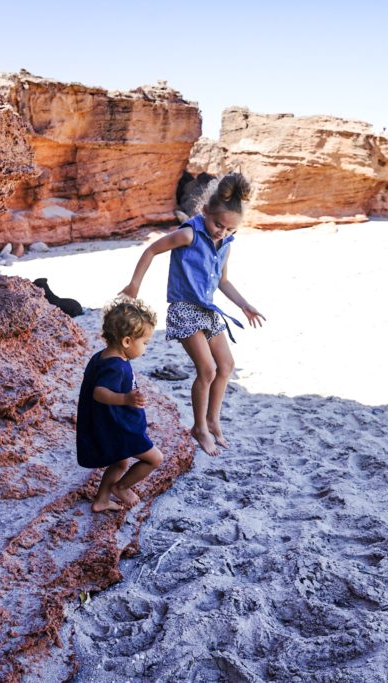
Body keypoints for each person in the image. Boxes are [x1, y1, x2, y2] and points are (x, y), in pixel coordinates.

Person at [121, 172, 265, 456]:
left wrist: (244, 304)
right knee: (207, 369)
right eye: (218, 224)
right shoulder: (189, 233)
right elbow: (151, 250)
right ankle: (199, 427)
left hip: (208, 311)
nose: (220, 232)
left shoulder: (225, 244)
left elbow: (223, 281)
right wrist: (134, 284)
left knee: (226, 366)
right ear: (204, 211)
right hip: (184, 309)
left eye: (229, 230)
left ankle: (213, 420)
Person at [76, 296, 164, 513]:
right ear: (126, 341)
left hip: (110, 424)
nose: (145, 348)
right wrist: (126, 399)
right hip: (118, 426)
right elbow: (99, 392)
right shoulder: (114, 365)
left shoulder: (103, 357)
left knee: (120, 462)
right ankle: (122, 487)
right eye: (144, 343)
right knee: (154, 458)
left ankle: (101, 500)